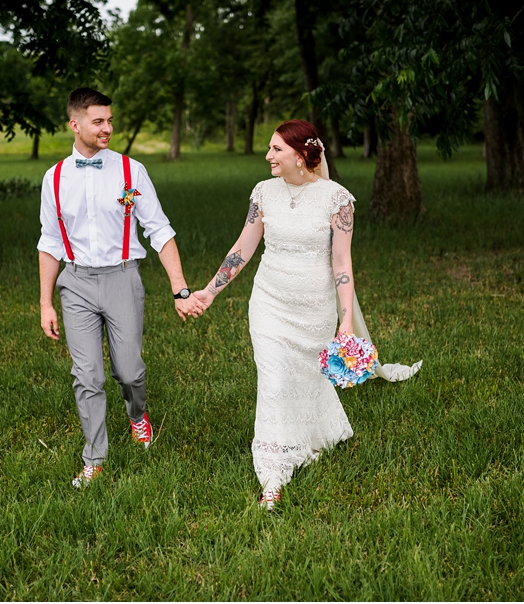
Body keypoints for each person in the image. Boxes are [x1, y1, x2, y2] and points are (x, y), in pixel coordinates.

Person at [194, 119, 420, 509]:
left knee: (303, 378)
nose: (268, 156)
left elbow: (342, 263)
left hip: (314, 307)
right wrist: (211, 291)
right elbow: (243, 249)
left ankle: (313, 432)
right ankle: (273, 473)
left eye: (276, 150)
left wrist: (345, 320)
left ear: (301, 156)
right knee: (275, 380)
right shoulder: (263, 193)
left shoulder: (337, 200)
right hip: (268, 302)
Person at [38, 87, 202, 488]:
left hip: (122, 278)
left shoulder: (131, 171)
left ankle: (137, 414)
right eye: (99, 122)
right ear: (75, 125)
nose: (108, 128)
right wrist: (45, 303)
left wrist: (180, 289)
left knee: (128, 371)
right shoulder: (54, 178)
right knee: (87, 375)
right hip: (74, 283)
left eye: (110, 120)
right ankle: (95, 457)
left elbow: (159, 231)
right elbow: (49, 242)